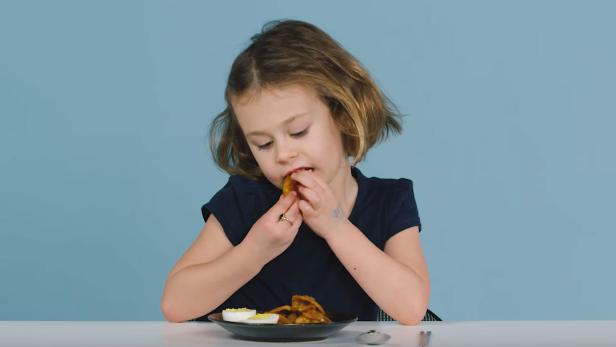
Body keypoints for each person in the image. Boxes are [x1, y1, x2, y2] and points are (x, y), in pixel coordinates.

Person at [161, 19, 430, 325]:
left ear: (341, 114)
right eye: (263, 144)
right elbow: (175, 303)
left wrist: (336, 227)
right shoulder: (246, 199)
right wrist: (254, 252)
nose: (283, 154)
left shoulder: (388, 201)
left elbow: (411, 308)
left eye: (299, 132)